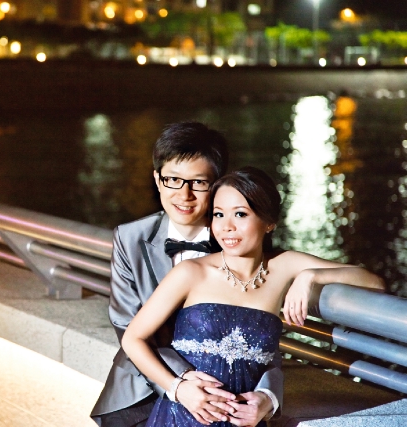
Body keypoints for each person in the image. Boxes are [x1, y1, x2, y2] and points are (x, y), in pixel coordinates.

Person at [121, 167, 385, 426]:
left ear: (269, 222)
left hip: (246, 420)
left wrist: (311, 277)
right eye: (218, 214)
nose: (226, 227)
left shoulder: (284, 266)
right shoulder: (191, 272)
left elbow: (373, 283)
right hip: (184, 415)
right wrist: (177, 388)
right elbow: (133, 338)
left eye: (240, 214)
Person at [91, 123, 283, 426]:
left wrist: (270, 397)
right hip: (141, 391)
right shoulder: (130, 237)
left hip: (226, 397)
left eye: (198, 183)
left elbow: (261, 334)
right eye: (173, 180)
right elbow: (126, 325)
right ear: (157, 179)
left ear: (218, 184)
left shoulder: (239, 238)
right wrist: (181, 384)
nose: (185, 194)